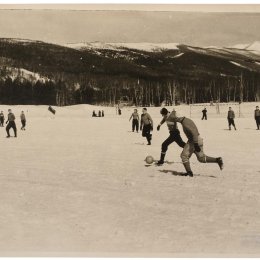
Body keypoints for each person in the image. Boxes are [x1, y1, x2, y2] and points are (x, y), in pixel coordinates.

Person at [163, 112, 223, 177]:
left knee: (184, 156)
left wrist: (196, 144)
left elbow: (194, 132)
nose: (175, 120)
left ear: (177, 118)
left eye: (174, 119)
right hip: (198, 139)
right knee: (201, 158)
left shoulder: (185, 123)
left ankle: (189, 173)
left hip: (194, 141)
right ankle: (217, 160)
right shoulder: (186, 120)